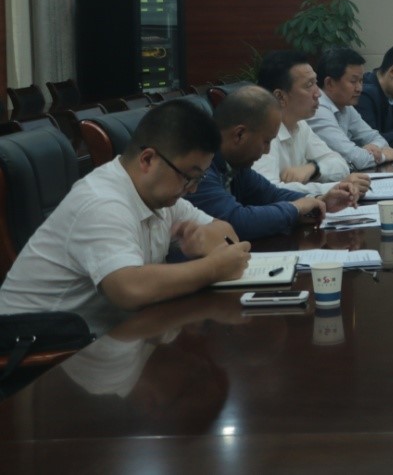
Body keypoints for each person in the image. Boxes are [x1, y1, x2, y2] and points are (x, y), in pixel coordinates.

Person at [0, 102, 250, 323]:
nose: (192, 189)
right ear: (148, 160)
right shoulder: (102, 202)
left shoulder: (161, 195)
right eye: (189, 177)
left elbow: (227, 235)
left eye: (199, 178)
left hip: (99, 338)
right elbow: (129, 289)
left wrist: (205, 238)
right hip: (34, 348)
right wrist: (212, 268)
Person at [186, 86, 357, 241]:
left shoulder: (235, 166)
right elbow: (236, 221)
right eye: (266, 141)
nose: (267, 151)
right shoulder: (199, 168)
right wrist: (295, 209)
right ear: (239, 135)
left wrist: (320, 201)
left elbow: (271, 194)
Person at [253, 50, 371, 199]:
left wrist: (313, 169)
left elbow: (340, 165)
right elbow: (268, 191)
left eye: (315, 83)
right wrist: (335, 188)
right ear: (280, 96)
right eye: (309, 85)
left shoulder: (300, 125)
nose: (318, 94)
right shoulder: (259, 132)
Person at [309, 47, 393, 171]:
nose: (359, 88)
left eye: (361, 81)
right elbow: (353, 158)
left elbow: (378, 139)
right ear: (329, 83)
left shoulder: (345, 106)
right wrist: (383, 156)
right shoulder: (317, 109)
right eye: (353, 81)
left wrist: (373, 148)